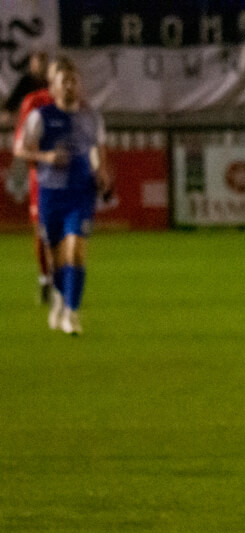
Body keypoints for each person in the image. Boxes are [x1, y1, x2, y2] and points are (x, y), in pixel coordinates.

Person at [14, 57, 111, 337]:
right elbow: (21, 149)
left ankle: (71, 312)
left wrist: (101, 172)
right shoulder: (40, 117)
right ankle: (59, 298)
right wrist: (46, 156)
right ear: (53, 88)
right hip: (51, 194)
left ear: (79, 86)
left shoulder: (91, 117)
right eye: (63, 82)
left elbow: (96, 148)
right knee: (56, 259)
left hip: (81, 193)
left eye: (74, 81)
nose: (69, 86)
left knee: (77, 251)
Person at [12, 58, 56, 305]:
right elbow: (20, 144)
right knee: (42, 230)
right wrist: (40, 156)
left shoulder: (77, 106)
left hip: (68, 177)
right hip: (41, 175)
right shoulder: (34, 102)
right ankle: (44, 279)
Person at [2, 51, 49, 121]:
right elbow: (11, 105)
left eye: (43, 62)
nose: (41, 65)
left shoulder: (50, 83)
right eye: (37, 61)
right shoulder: (26, 81)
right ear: (32, 64)